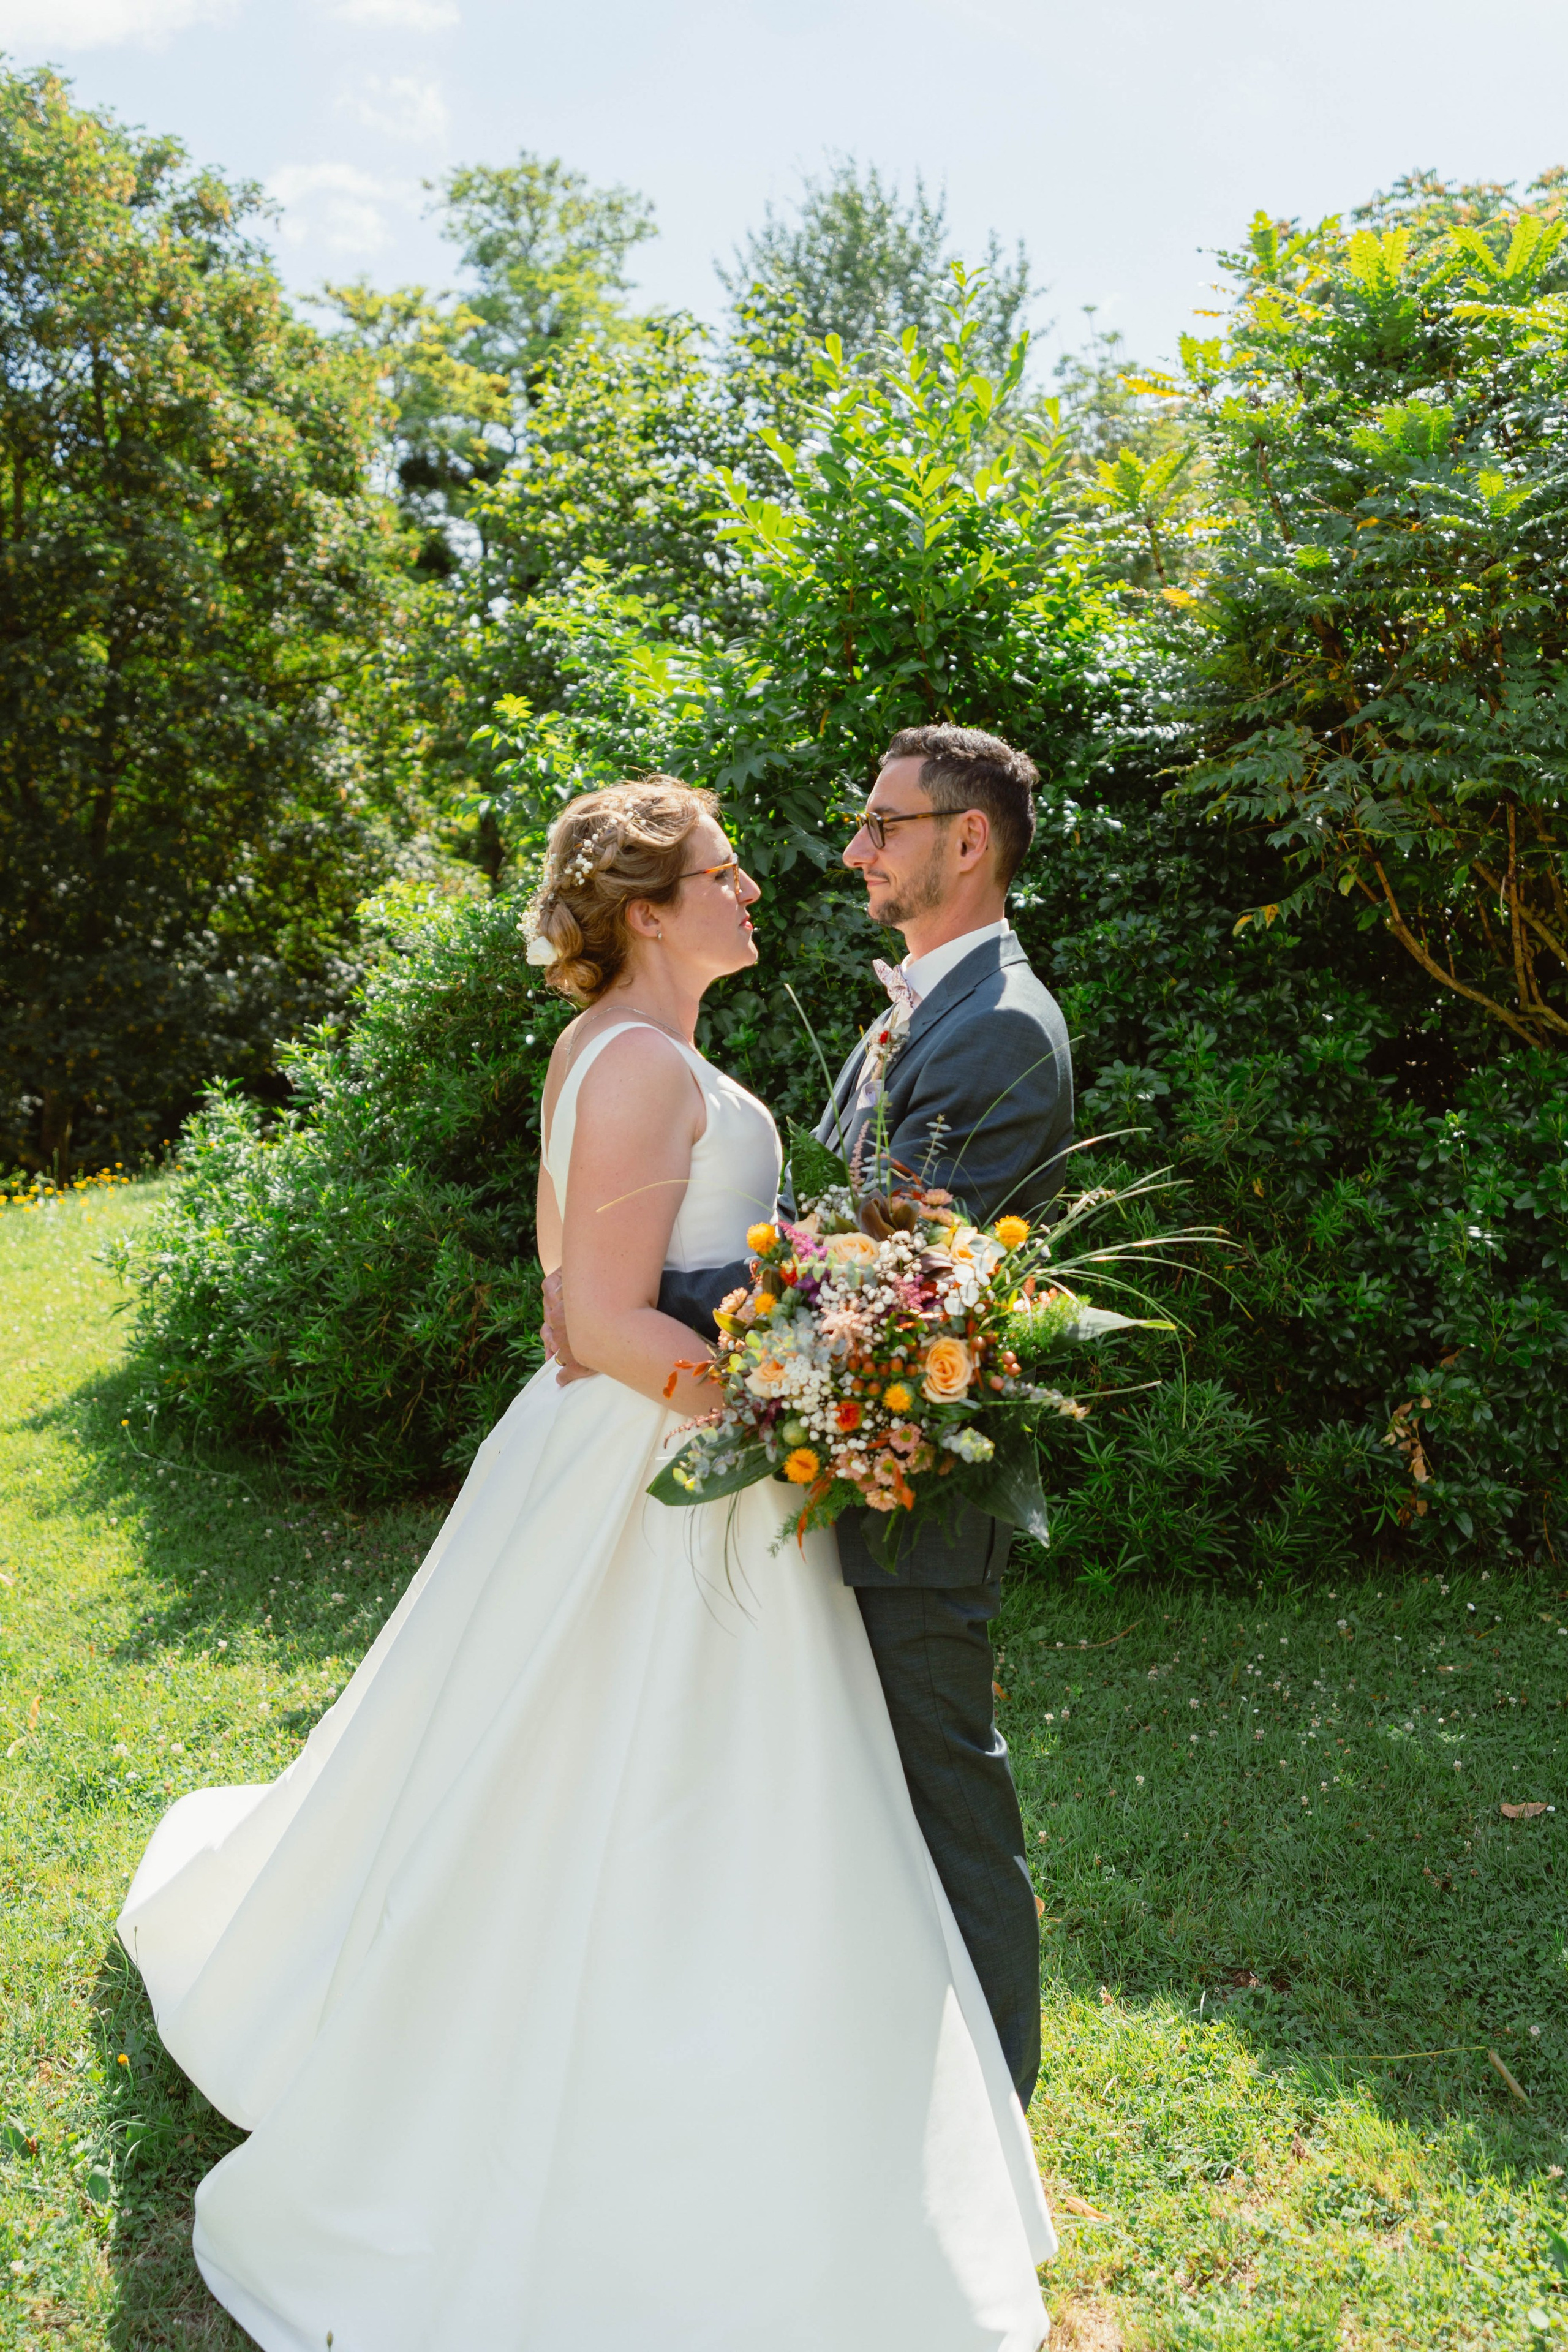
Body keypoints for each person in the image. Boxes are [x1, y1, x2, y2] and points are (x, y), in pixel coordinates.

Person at [118, 776, 1055, 2352]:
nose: (756, 885)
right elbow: (593, 1319)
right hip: (659, 1465)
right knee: (590, 1781)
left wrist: (796, 1405)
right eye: (720, 871)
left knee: (691, 1790)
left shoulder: (659, 1055)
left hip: (703, 1460)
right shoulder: (630, 1062)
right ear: (644, 906)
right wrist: (789, 1415)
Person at [558, 725, 1074, 2113]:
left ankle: (992, 2119)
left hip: (909, 1492)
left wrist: (659, 1321)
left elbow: (886, 1279)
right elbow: (830, 1248)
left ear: (965, 842)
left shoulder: (1001, 1030)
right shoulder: (915, 1005)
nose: (851, 851)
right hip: (825, 1461)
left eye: (881, 825)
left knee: (942, 1799)